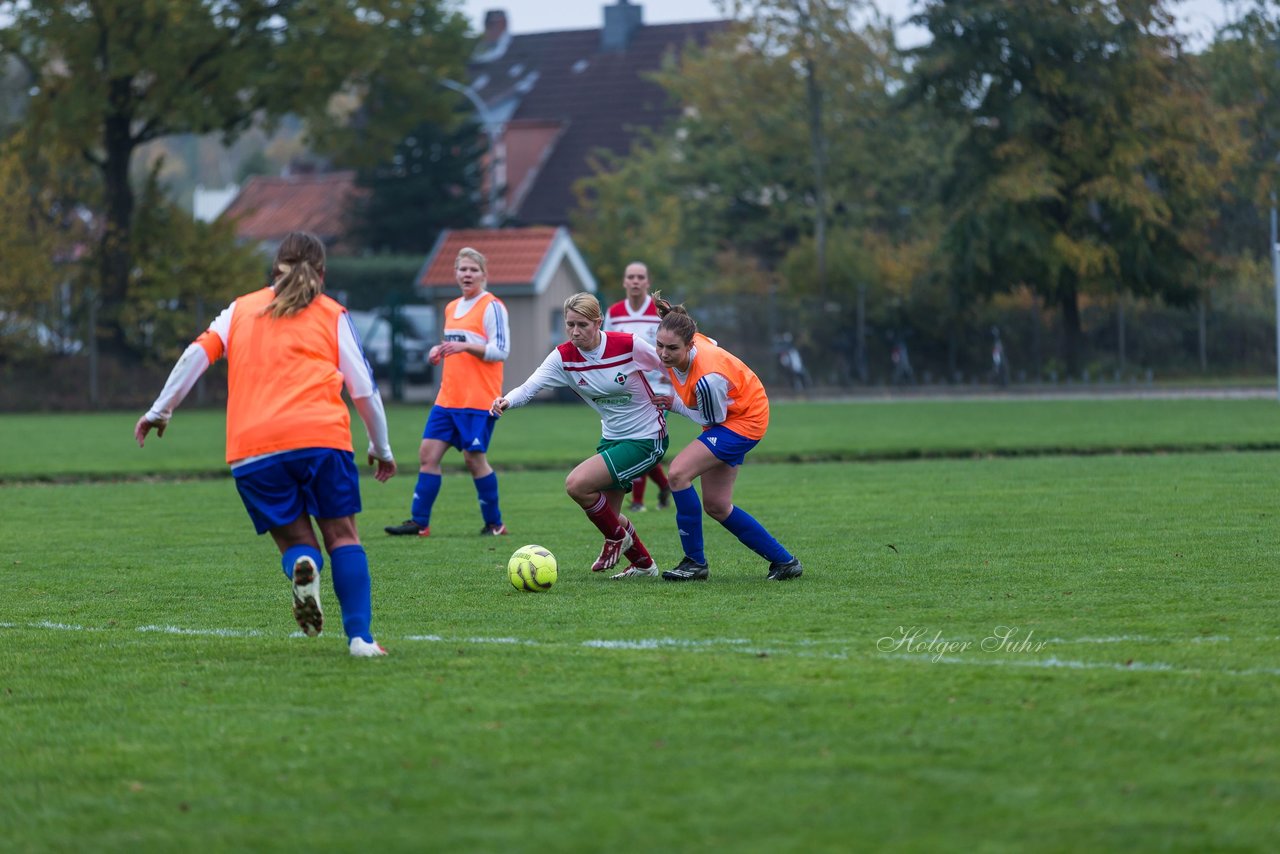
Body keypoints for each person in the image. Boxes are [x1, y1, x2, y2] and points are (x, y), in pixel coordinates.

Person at [134, 231, 396, 657]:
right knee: (343, 536)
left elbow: (196, 354)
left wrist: (160, 410)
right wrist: (380, 447)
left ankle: (300, 567)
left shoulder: (239, 310)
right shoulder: (331, 313)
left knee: (297, 542)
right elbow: (363, 388)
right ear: (322, 273)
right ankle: (361, 640)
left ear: (274, 267)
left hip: (253, 449)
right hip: (320, 439)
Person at [491, 292, 665, 579]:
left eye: (582, 324)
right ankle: (644, 565)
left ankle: (616, 540)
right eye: (569, 324)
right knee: (610, 516)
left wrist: (682, 400)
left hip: (647, 437)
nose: (574, 331)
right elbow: (529, 386)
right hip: (612, 438)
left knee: (577, 485)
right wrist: (507, 401)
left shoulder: (627, 345)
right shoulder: (563, 356)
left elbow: (669, 365)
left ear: (598, 323)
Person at [650, 293, 803, 582]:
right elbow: (706, 343)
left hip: (744, 419)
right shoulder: (691, 339)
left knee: (679, 473)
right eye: (659, 345)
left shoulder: (708, 379)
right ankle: (785, 562)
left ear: (690, 345)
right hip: (732, 414)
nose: (663, 354)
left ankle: (695, 563)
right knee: (717, 505)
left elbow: (711, 420)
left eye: (672, 348)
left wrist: (672, 403)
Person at [385, 247, 510, 538]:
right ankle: (420, 523)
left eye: (473, 269)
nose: (467, 274)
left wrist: (466, 347)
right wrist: (437, 351)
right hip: (448, 398)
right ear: (455, 273)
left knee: (473, 460)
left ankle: (495, 524)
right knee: (427, 454)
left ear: (483, 274)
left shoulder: (492, 306)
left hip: (478, 399)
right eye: (462, 269)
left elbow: (501, 350)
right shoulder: (451, 307)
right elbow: (453, 344)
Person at [603, 261, 672, 514]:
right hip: (625, 388)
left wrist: (670, 377)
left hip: (656, 387)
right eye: (630, 276)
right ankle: (665, 486)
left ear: (648, 281)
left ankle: (639, 501)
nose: (635, 281)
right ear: (624, 281)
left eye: (640, 277)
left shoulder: (659, 311)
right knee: (634, 443)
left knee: (640, 439)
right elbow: (606, 346)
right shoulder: (614, 312)